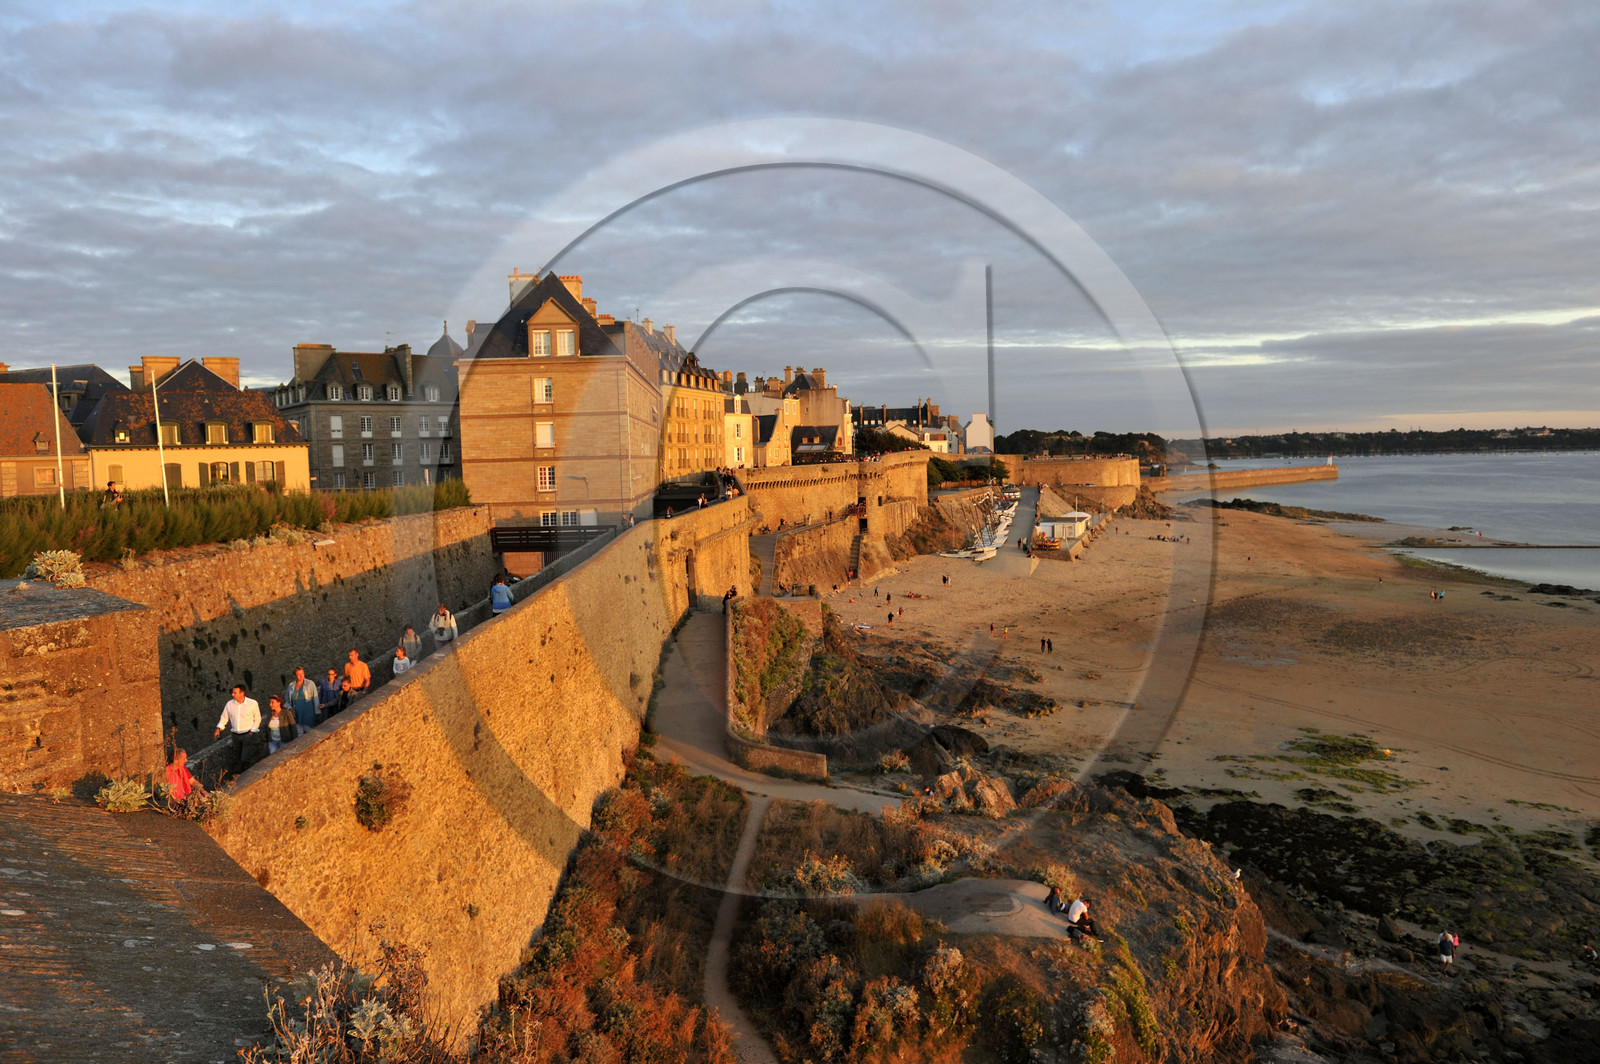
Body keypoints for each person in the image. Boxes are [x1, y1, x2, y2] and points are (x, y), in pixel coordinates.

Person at [213, 684, 263, 774]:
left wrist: (252, 731)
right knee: (238, 758)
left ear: (242, 693)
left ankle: (248, 777)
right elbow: (224, 718)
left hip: (248, 734)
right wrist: (218, 728)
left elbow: (258, 718)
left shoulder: (252, 703)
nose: (232, 694)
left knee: (245, 758)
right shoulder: (229, 704)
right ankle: (244, 775)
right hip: (236, 735)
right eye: (233, 692)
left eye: (235, 692)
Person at [285, 667, 320, 731]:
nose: (301, 676)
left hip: (308, 713)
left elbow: (315, 697)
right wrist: (289, 707)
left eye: (302, 673)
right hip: (297, 714)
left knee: (309, 732)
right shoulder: (291, 686)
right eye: (298, 674)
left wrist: (317, 711)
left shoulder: (310, 683)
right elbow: (287, 700)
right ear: (295, 676)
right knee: (299, 734)